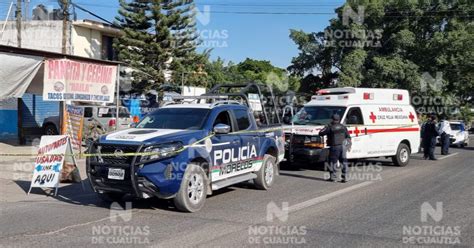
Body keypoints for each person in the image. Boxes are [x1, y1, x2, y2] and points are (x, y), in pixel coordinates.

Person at [319, 114, 351, 183]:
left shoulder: (330, 127)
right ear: (339, 119)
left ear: (332, 119)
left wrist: (325, 127)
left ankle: (333, 178)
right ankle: (345, 178)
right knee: (344, 162)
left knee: (333, 162)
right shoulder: (343, 127)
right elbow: (348, 136)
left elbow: (320, 133)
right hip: (343, 146)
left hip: (334, 147)